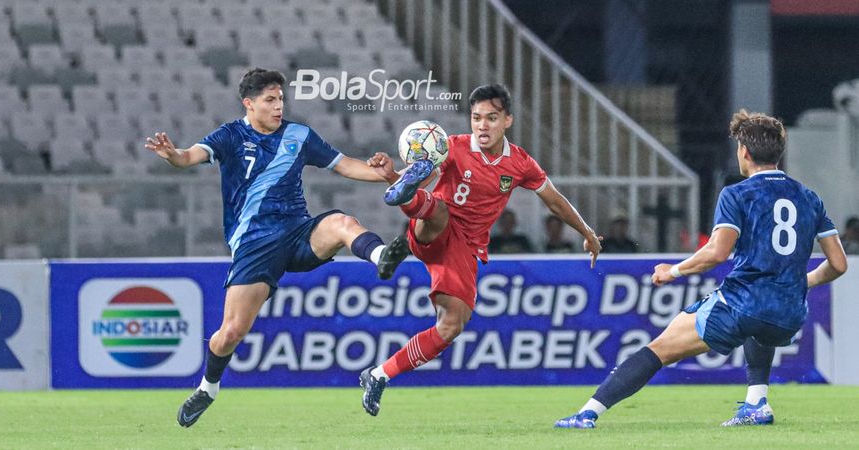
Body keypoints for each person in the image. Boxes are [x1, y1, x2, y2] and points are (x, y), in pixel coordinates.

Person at [145, 68, 409, 428]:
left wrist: (387, 174)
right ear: (249, 104)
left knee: (343, 224)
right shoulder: (231, 135)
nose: (278, 106)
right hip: (254, 244)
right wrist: (172, 154)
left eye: (281, 99)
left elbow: (346, 165)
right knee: (230, 333)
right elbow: (189, 156)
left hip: (298, 231)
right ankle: (209, 388)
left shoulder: (299, 135)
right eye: (270, 100)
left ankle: (382, 257)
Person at [554, 109, 848, 429]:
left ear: (745, 152)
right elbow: (838, 264)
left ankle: (587, 414)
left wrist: (674, 271)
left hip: (742, 304)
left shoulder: (737, 193)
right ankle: (756, 403)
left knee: (659, 349)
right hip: (789, 313)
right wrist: (801, 283)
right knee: (762, 322)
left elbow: (717, 252)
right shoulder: (810, 197)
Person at [360, 84, 603, 416]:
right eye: (476, 118)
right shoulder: (451, 147)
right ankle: (409, 215)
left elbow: (555, 202)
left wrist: (586, 232)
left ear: (507, 121)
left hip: (465, 248)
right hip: (434, 226)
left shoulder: (520, 163)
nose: (482, 126)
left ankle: (379, 374)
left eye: (491, 118)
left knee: (451, 325)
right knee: (437, 209)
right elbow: (418, 178)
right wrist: (392, 176)